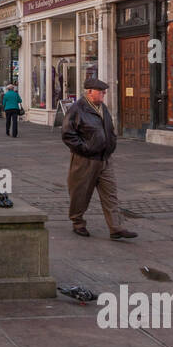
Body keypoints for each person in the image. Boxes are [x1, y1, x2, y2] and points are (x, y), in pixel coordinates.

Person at [61, 77, 137, 240]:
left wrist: (112, 142)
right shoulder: (77, 109)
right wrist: (85, 148)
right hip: (85, 159)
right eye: (101, 92)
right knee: (80, 193)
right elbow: (68, 134)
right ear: (89, 92)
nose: (104, 94)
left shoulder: (102, 108)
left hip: (105, 158)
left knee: (110, 193)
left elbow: (109, 128)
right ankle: (78, 222)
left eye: (104, 92)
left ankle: (116, 227)